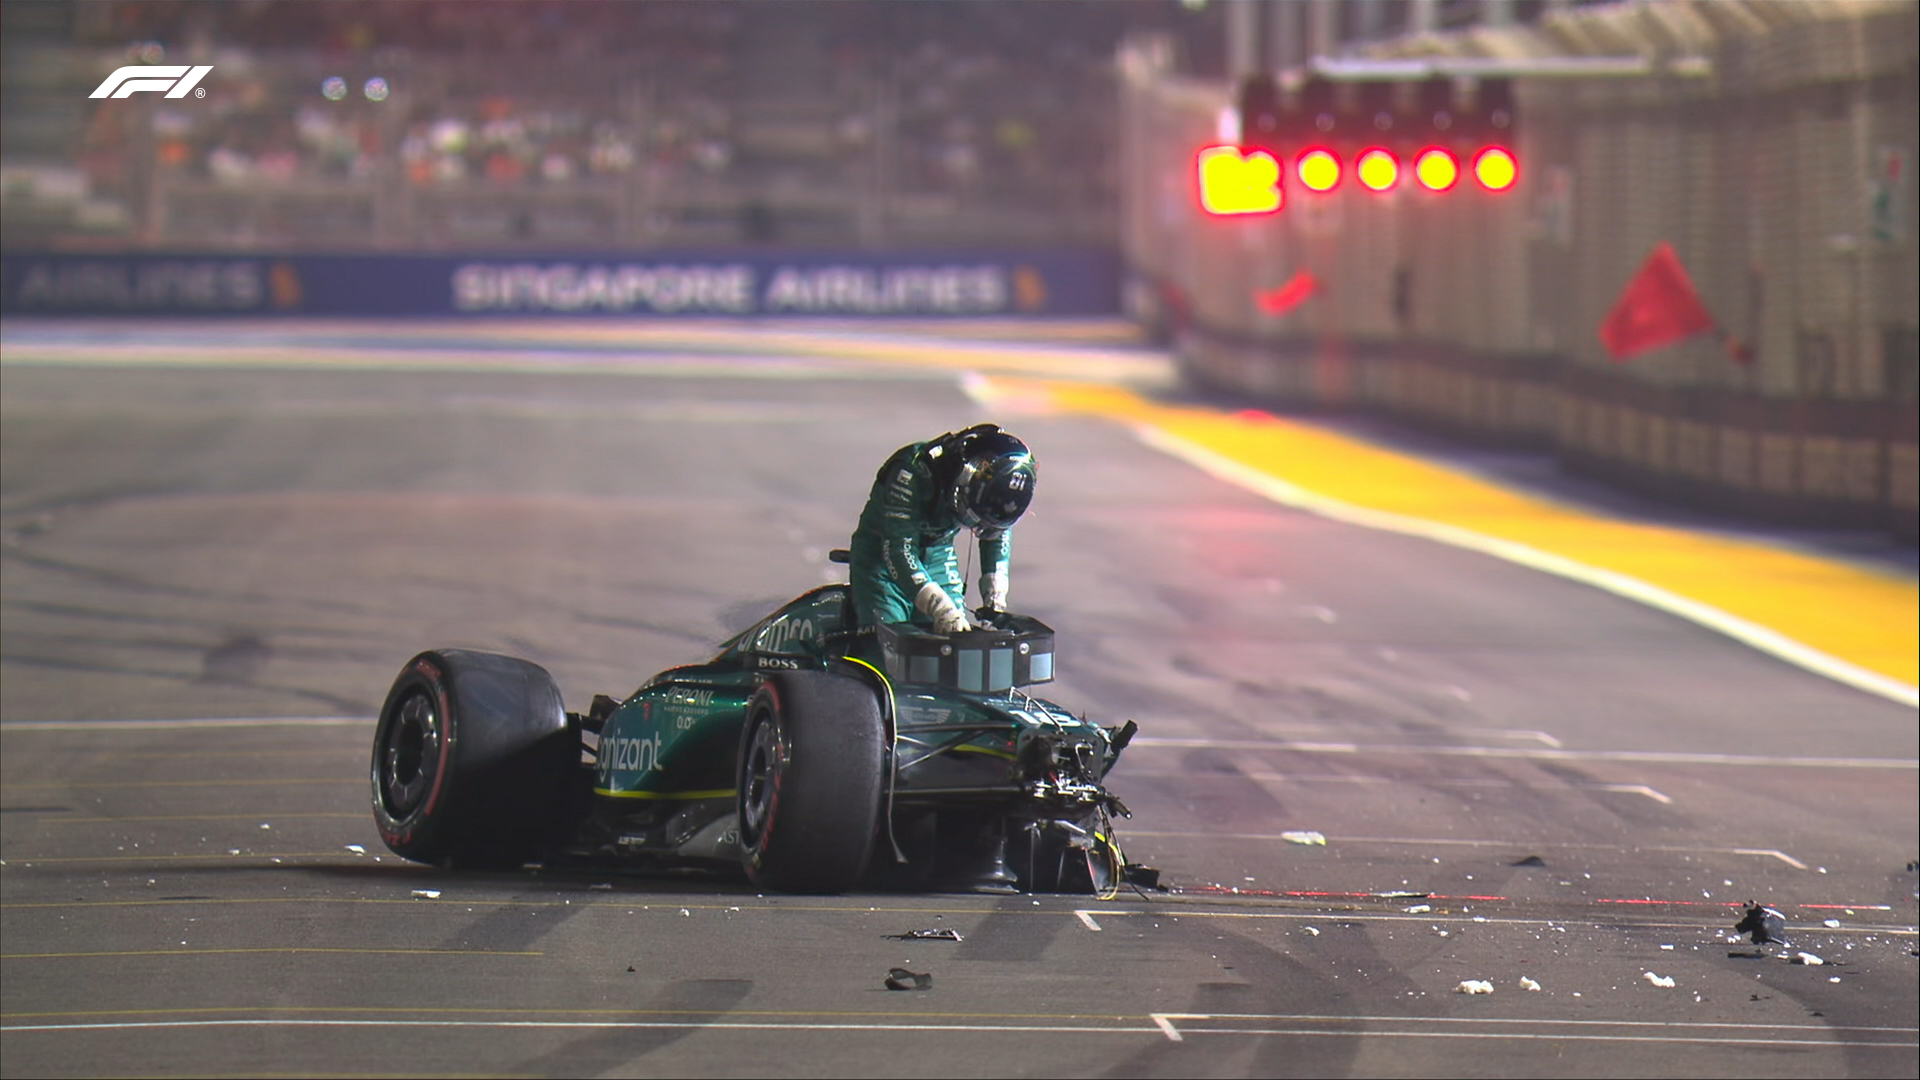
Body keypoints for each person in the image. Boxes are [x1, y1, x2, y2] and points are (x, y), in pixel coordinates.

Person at [849, 423, 1036, 634]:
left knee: (957, 638)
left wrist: (995, 603)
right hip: (881, 559)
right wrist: (939, 607)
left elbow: (997, 527)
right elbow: (898, 550)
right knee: (889, 640)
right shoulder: (911, 471)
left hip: (937, 554)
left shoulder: (996, 487)